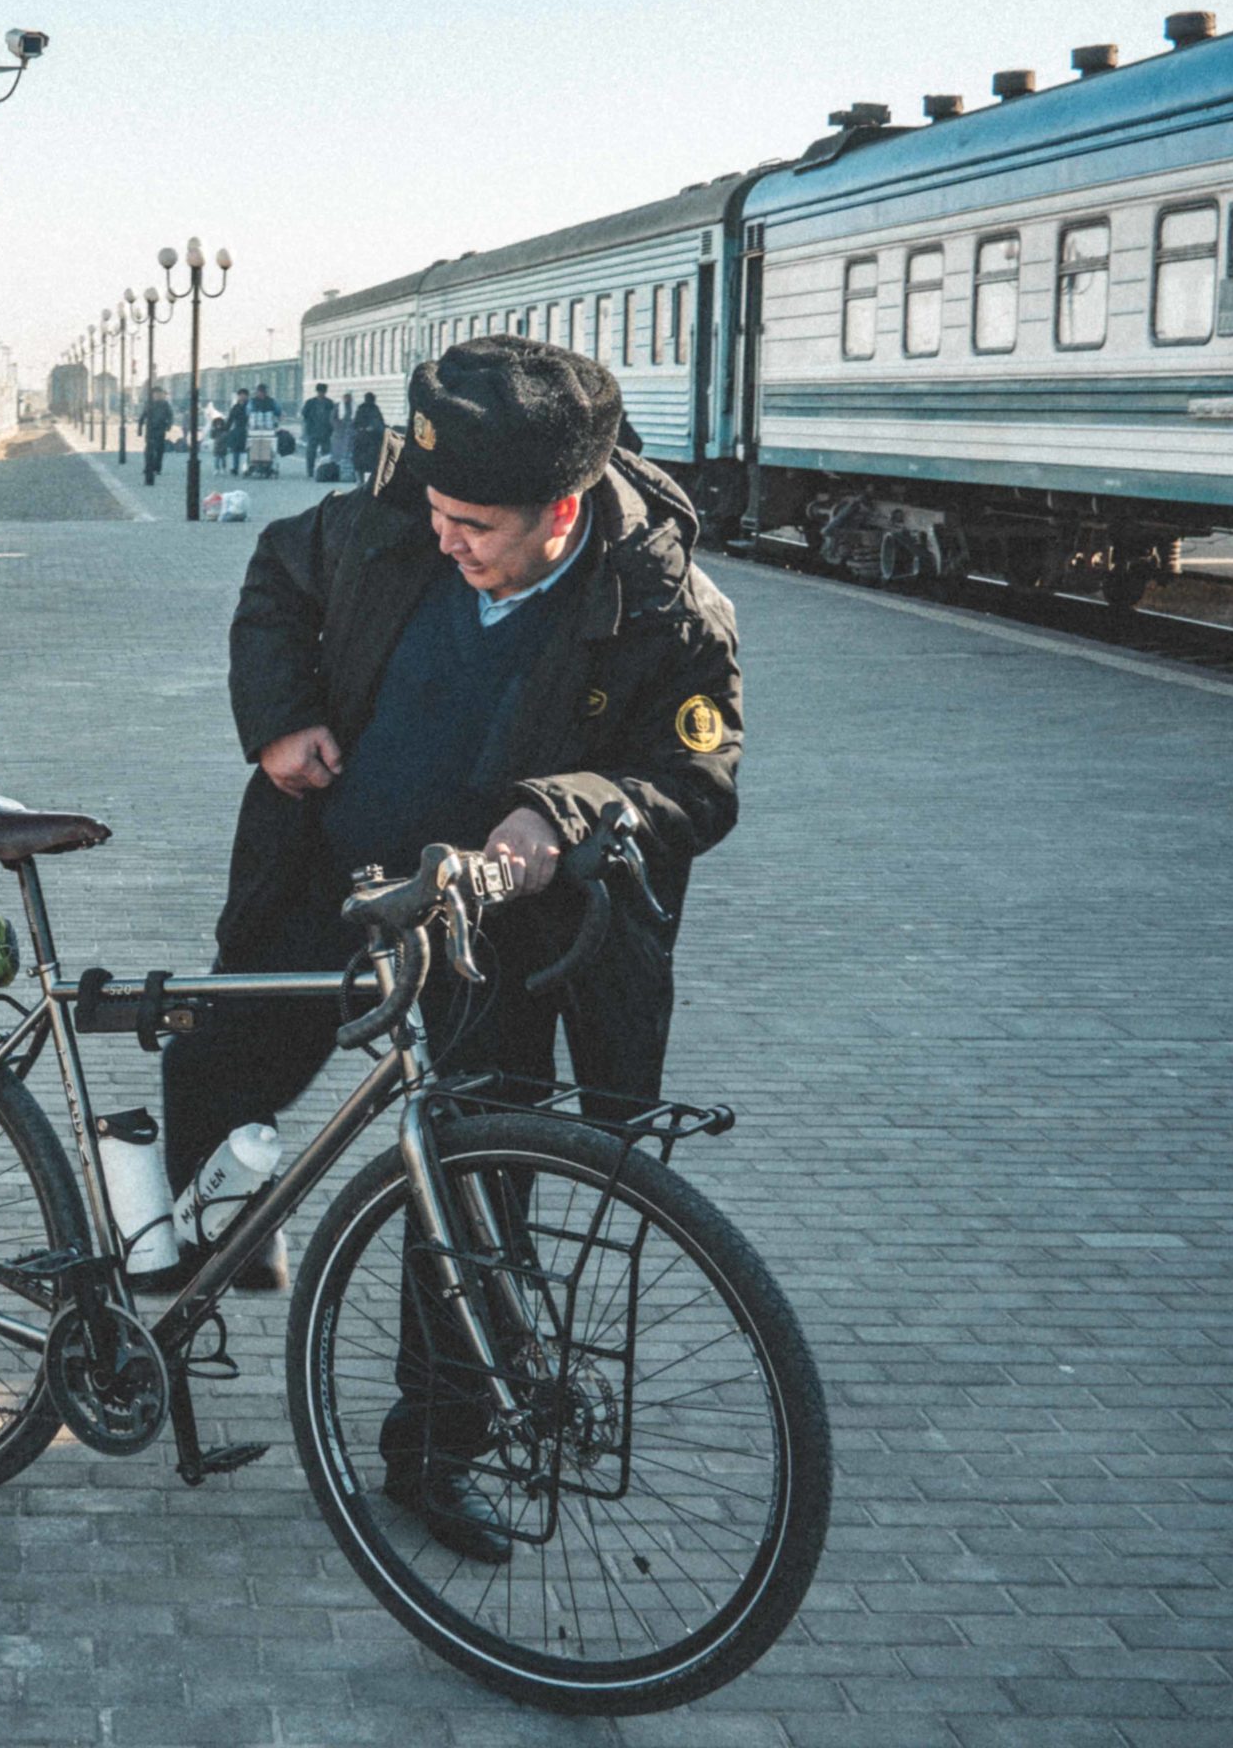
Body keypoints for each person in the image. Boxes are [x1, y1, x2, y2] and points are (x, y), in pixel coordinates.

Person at [154, 334, 741, 1563]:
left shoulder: (662, 602)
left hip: (498, 922)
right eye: (433, 509)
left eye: (472, 523)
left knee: (472, 1186)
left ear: (560, 512)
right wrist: (281, 719)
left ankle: (434, 1451)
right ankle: (177, 1273)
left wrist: (561, 815)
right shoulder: (390, 518)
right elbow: (276, 576)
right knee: (222, 1063)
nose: (444, 537)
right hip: (325, 869)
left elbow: (696, 778)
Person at [301, 382, 338, 480]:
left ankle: (325, 471)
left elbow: (333, 416)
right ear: (317, 392)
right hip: (313, 431)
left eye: (323, 392)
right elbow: (304, 415)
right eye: (320, 392)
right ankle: (310, 471)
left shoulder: (329, 403)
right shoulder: (310, 403)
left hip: (325, 431)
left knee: (326, 453)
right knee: (311, 452)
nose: (321, 394)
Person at [139, 384, 174, 484]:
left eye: (161, 394)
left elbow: (170, 415)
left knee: (159, 450)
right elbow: (143, 415)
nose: (159, 396)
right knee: (148, 449)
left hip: (161, 429)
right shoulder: (149, 404)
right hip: (150, 429)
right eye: (157, 394)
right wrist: (139, 428)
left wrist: (169, 425)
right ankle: (148, 467)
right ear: (153, 395)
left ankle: (157, 468)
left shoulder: (165, 404)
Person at [350, 390, 387, 481]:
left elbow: (379, 422)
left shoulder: (369, 408)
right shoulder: (368, 408)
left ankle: (365, 478)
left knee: (365, 461)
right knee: (369, 460)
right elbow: (380, 423)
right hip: (368, 438)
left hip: (368, 438)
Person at [221, 388, 250, 475]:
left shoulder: (249, 406)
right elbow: (230, 419)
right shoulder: (235, 407)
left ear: (247, 396)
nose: (242, 397)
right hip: (237, 430)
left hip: (247, 429)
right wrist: (225, 429)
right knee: (235, 450)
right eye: (240, 395)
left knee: (247, 451)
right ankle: (235, 468)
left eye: (244, 395)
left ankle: (246, 468)